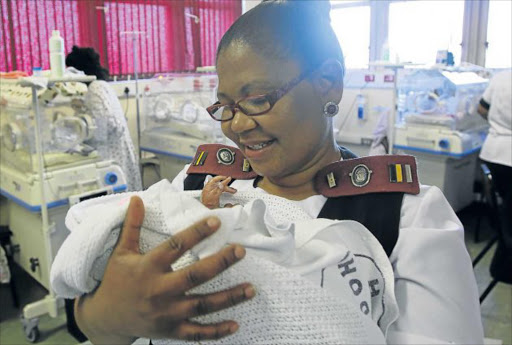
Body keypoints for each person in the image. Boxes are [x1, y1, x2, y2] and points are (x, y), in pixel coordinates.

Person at [71, 1, 484, 344]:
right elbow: (92, 314)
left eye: (257, 99)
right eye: (225, 105)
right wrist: (112, 315)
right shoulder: (197, 186)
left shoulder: (402, 217)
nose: (235, 125)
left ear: (328, 84)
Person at [65, 46, 142, 192]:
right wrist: (81, 109)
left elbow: (108, 126)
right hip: (115, 151)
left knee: (119, 203)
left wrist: (82, 127)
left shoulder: (95, 88)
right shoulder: (100, 85)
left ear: (80, 69)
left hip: (112, 154)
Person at [477, 69, 512, 284]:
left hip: (493, 153)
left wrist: (499, 125)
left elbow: (482, 108)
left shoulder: (501, 77)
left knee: (506, 212)